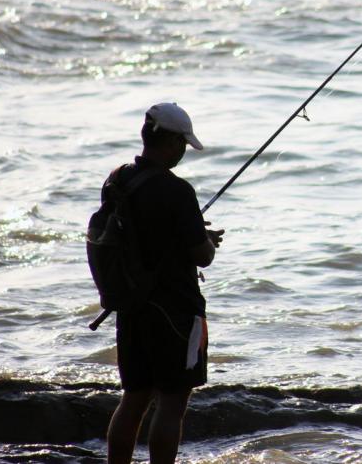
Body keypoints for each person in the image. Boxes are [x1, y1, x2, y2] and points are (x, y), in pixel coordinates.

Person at [105, 102, 224, 464]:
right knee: (172, 403)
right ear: (171, 142)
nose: (184, 152)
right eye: (183, 144)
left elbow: (142, 234)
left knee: (134, 398)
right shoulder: (178, 191)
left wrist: (190, 233)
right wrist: (208, 242)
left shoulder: (118, 179)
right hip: (174, 309)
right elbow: (201, 256)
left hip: (132, 304)